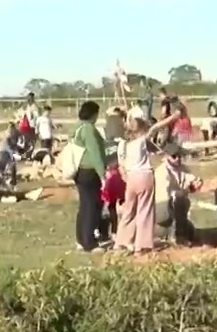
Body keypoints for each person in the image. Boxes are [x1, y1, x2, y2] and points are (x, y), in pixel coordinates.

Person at [116, 109, 182, 253]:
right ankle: (142, 245)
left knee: (129, 211)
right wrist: (174, 117)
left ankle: (121, 242)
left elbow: (121, 165)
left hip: (130, 178)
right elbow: (157, 127)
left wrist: (126, 178)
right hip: (144, 176)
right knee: (144, 210)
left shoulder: (122, 144)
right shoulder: (142, 141)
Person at [68, 100, 109, 251]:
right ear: (93, 113)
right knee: (93, 206)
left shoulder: (77, 127)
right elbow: (95, 153)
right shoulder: (89, 129)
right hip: (90, 171)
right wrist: (103, 175)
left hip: (80, 172)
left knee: (84, 205)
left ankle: (81, 238)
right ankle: (89, 242)